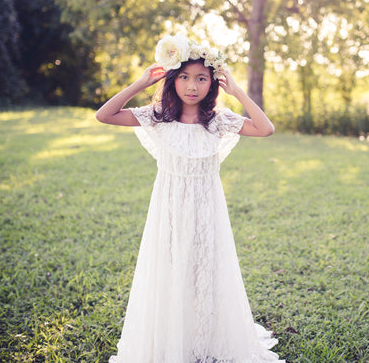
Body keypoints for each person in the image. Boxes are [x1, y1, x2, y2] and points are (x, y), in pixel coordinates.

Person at [95, 34, 283, 363]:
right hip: (168, 210)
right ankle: (172, 337)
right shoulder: (157, 116)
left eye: (201, 78)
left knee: (204, 271)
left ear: (212, 83)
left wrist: (237, 91)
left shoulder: (219, 120)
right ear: (172, 79)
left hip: (209, 211)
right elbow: (105, 115)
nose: (192, 85)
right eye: (183, 77)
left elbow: (265, 129)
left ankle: (205, 337)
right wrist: (140, 83)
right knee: (171, 272)